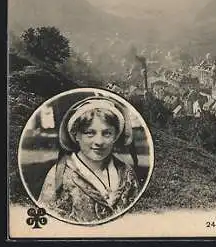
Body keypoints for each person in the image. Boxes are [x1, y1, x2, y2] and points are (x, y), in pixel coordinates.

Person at [38, 96, 140, 224]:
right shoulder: (60, 176)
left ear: (115, 135)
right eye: (90, 133)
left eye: (107, 133)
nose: (99, 142)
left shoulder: (126, 173)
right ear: (76, 135)